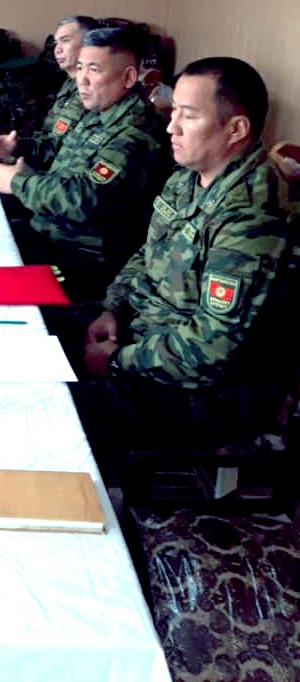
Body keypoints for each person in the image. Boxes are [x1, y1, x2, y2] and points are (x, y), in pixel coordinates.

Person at [68, 57, 298, 469]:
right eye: (173, 111)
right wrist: (112, 308)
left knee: (54, 412)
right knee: (33, 337)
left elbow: (210, 351)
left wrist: (118, 360)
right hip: (148, 336)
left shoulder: (252, 217)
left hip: (211, 391)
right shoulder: (188, 176)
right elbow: (148, 252)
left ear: (236, 129)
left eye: (188, 116)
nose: (171, 127)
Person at [0, 25, 169, 300]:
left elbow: (86, 199)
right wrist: (17, 147)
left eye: (94, 70)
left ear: (128, 77)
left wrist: (18, 182)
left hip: (81, 260)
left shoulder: (135, 133)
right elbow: (57, 154)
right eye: (81, 67)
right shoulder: (99, 110)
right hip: (48, 232)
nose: (81, 80)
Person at [0, 15, 98, 172]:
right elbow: (53, 143)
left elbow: (71, 164)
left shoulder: (96, 93)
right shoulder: (70, 83)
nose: (57, 49)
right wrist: (15, 146)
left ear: (89, 44)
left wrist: (21, 181)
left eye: (65, 41)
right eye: (56, 43)